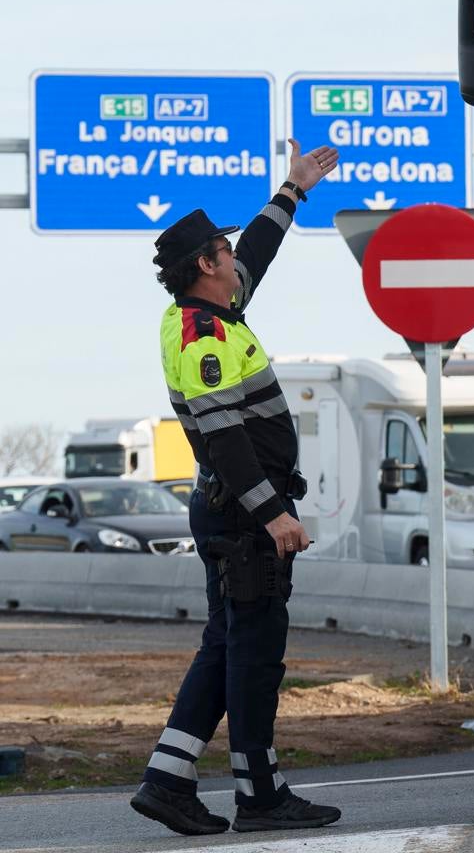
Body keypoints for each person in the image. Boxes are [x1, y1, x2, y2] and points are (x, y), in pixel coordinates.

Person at [129, 140, 344, 837]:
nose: (233, 256)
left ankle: (167, 780)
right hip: (245, 517)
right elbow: (226, 439)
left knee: (227, 647)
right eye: (222, 250)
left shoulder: (211, 313)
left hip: (233, 512)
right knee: (254, 657)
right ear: (205, 266)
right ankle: (260, 796)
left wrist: (294, 189)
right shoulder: (204, 337)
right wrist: (275, 514)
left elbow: (259, 251)